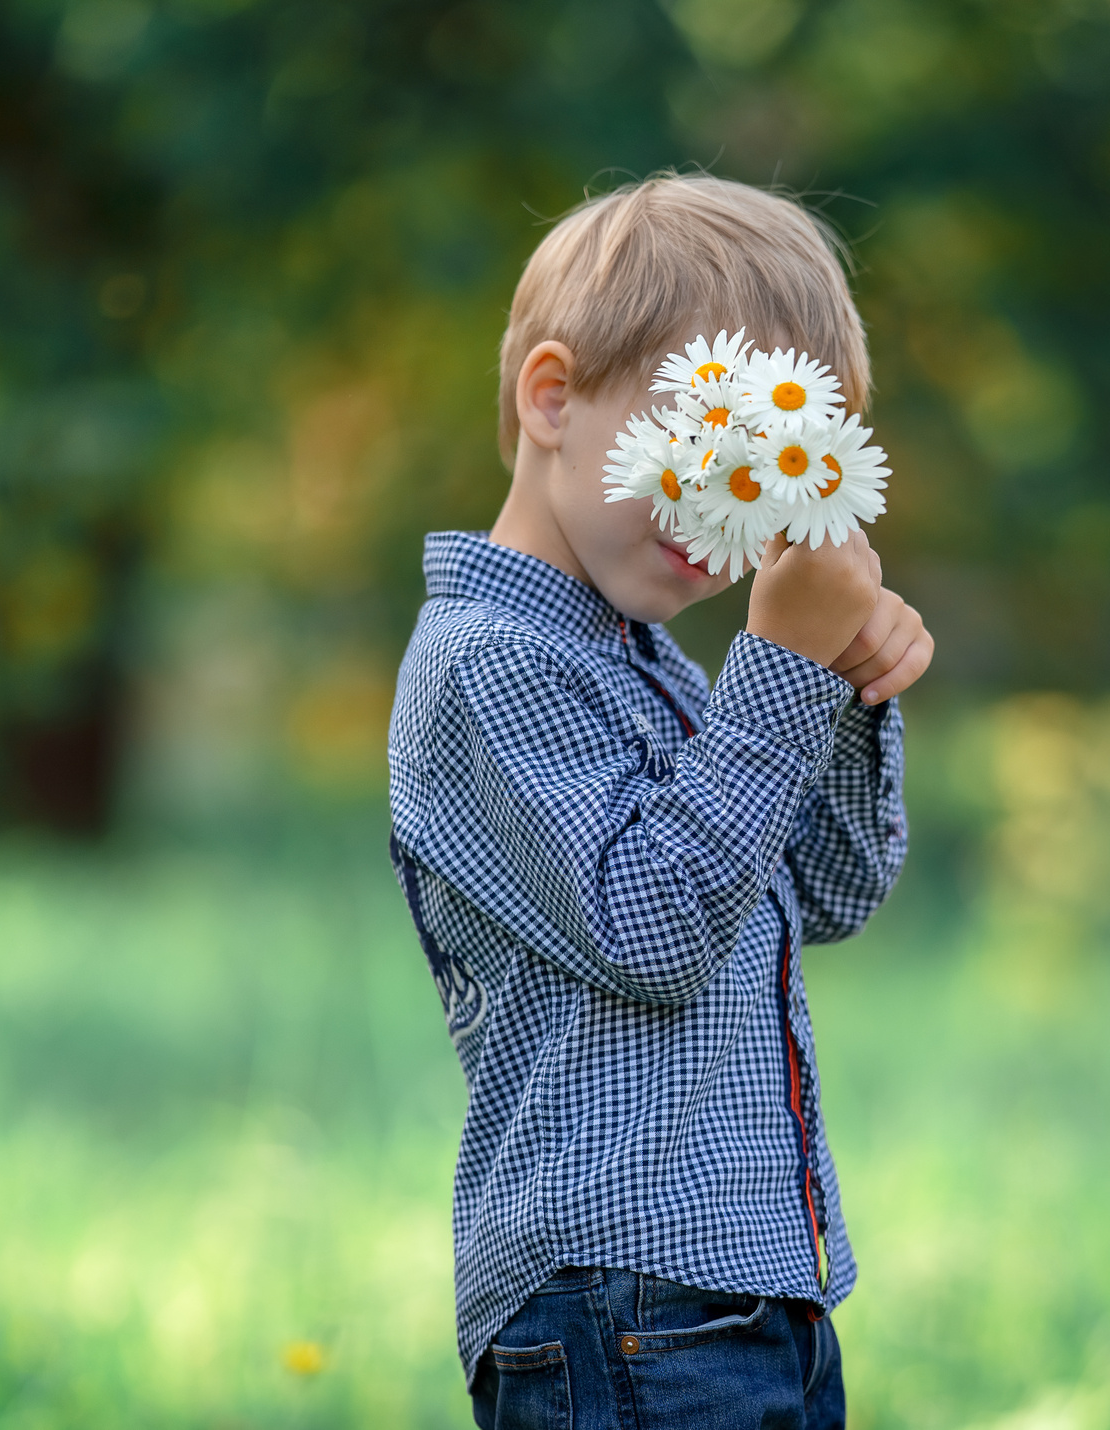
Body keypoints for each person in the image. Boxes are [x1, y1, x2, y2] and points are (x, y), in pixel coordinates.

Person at [388, 172, 934, 1430]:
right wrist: (779, 671)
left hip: (744, 1289)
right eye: (701, 450)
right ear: (553, 397)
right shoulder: (489, 661)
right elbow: (652, 928)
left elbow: (831, 892)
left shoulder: (646, 664)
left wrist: (841, 692)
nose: (720, 514)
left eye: (766, 476)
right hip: (619, 1298)